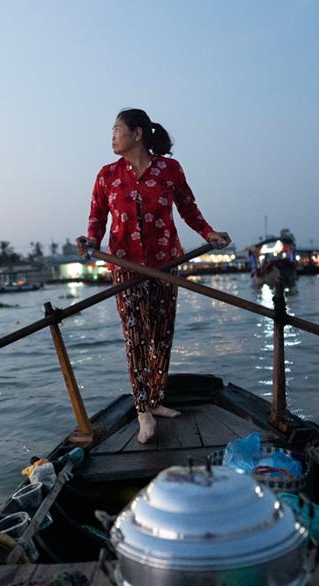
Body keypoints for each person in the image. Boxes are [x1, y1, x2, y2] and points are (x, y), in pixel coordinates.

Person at [77, 108, 231, 444]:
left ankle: (156, 399)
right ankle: (142, 411)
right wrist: (91, 241)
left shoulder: (169, 170)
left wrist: (209, 234)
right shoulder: (107, 175)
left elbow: (188, 208)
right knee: (135, 337)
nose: (112, 136)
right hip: (126, 268)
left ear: (138, 134)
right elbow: (96, 219)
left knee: (160, 336)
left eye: (117, 129)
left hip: (164, 264)